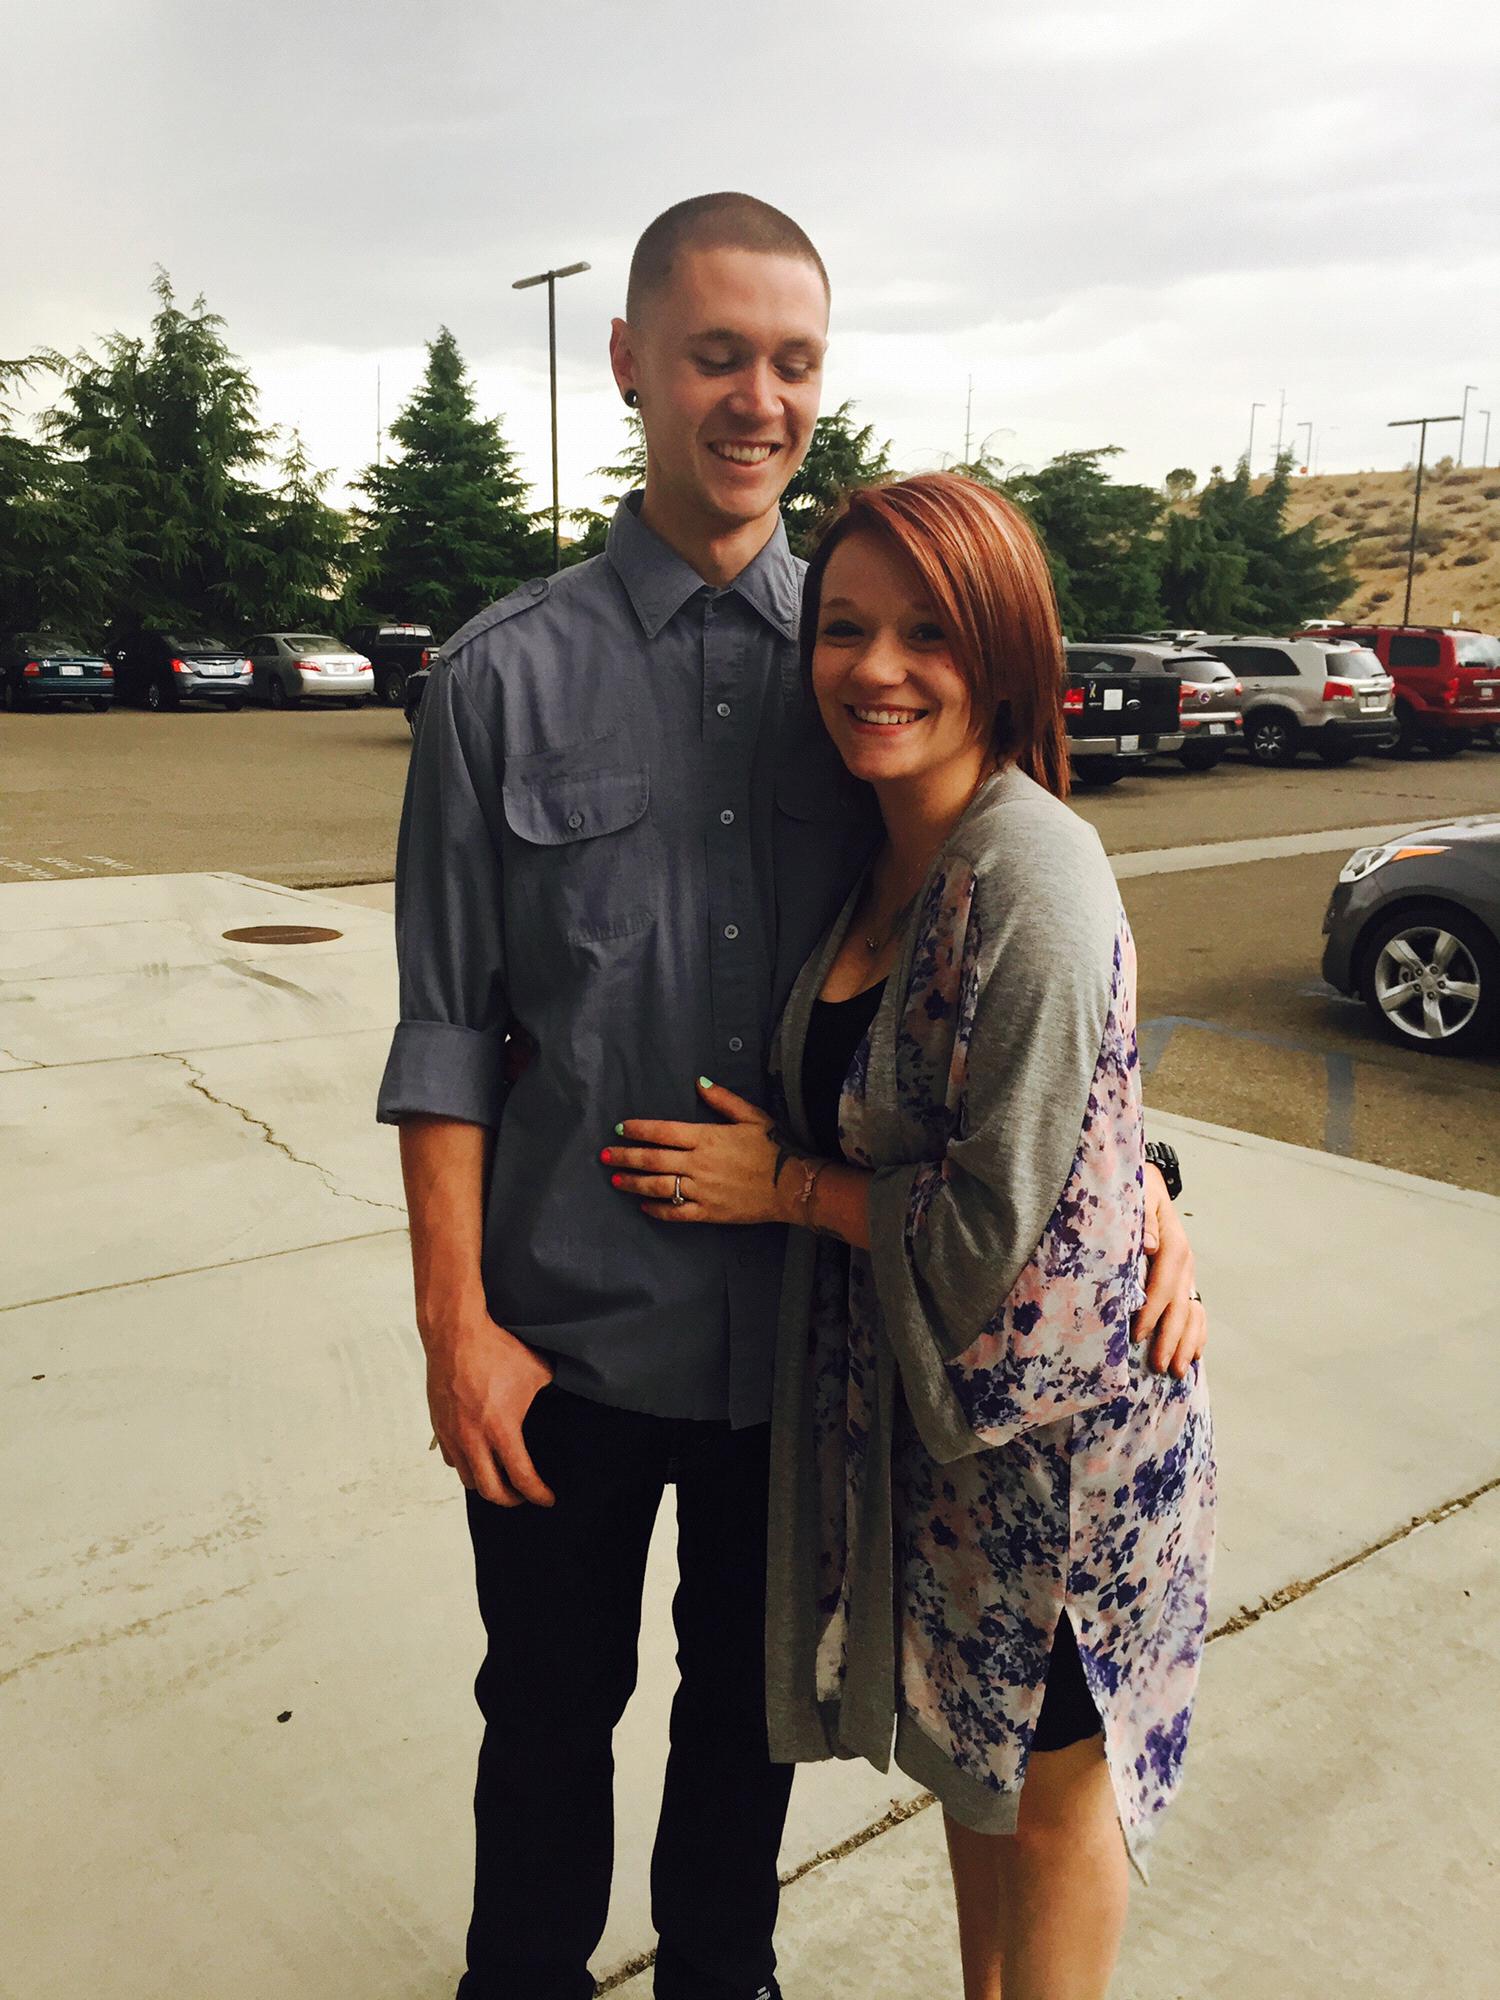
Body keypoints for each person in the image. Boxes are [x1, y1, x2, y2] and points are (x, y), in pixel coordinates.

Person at [378, 194, 1205, 2000]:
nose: (758, 399)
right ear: (630, 364)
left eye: (794, 362)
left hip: (816, 1357)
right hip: (566, 1344)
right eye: (716, 355)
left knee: (748, 1733)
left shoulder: (866, 669)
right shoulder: (501, 682)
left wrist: (1143, 1188)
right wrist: (456, 1329)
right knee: (544, 1716)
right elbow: (444, 1036)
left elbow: (1018, 988)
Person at [604, 474, 1215, 2000]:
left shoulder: (1032, 872)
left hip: (1059, 1448)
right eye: (846, 627)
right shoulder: (890, 852)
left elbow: (997, 1226)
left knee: (1053, 1809)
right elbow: (1083, 1112)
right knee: (978, 1780)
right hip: (946, 1447)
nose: (877, 667)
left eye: (929, 631)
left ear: (1003, 652)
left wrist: (782, 1188)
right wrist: (1152, 1185)